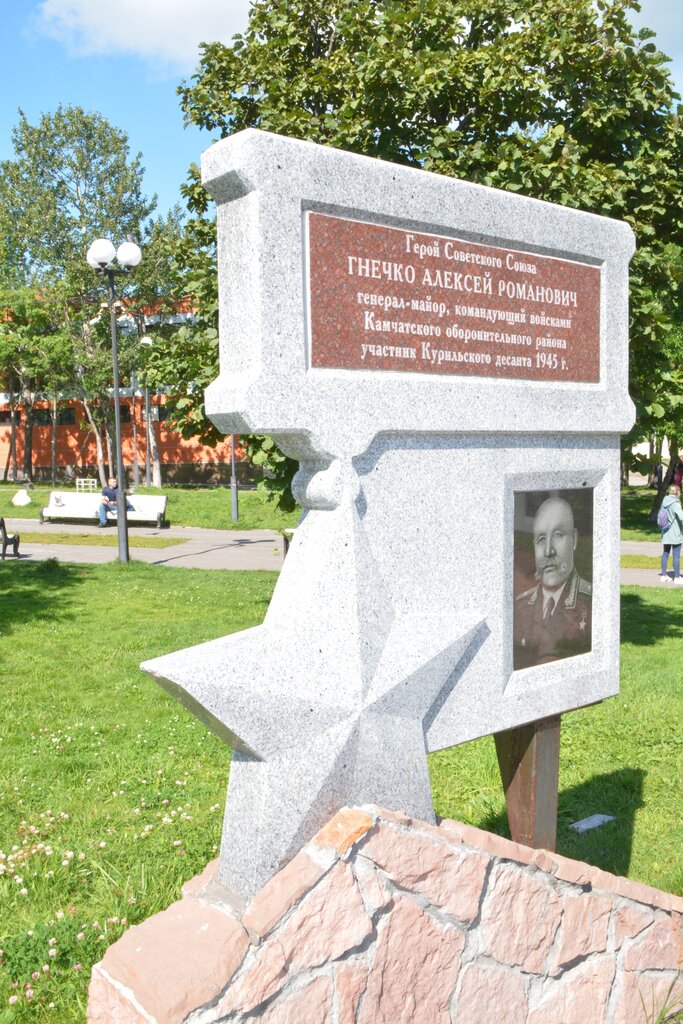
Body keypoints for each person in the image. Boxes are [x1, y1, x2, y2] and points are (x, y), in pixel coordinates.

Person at [514, 495, 592, 670]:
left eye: (558, 535)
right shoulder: (520, 606)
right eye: (541, 539)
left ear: (574, 539)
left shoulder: (590, 601)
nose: (548, 551)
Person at [658, 483, 683, 585]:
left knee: (665, 553)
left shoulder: (665, 501)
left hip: (665, 531)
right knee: (676, 555)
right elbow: (681, 518)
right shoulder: (676, 504)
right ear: (677, 492)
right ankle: (677, 577)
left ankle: (663, 575)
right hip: (675, 533)